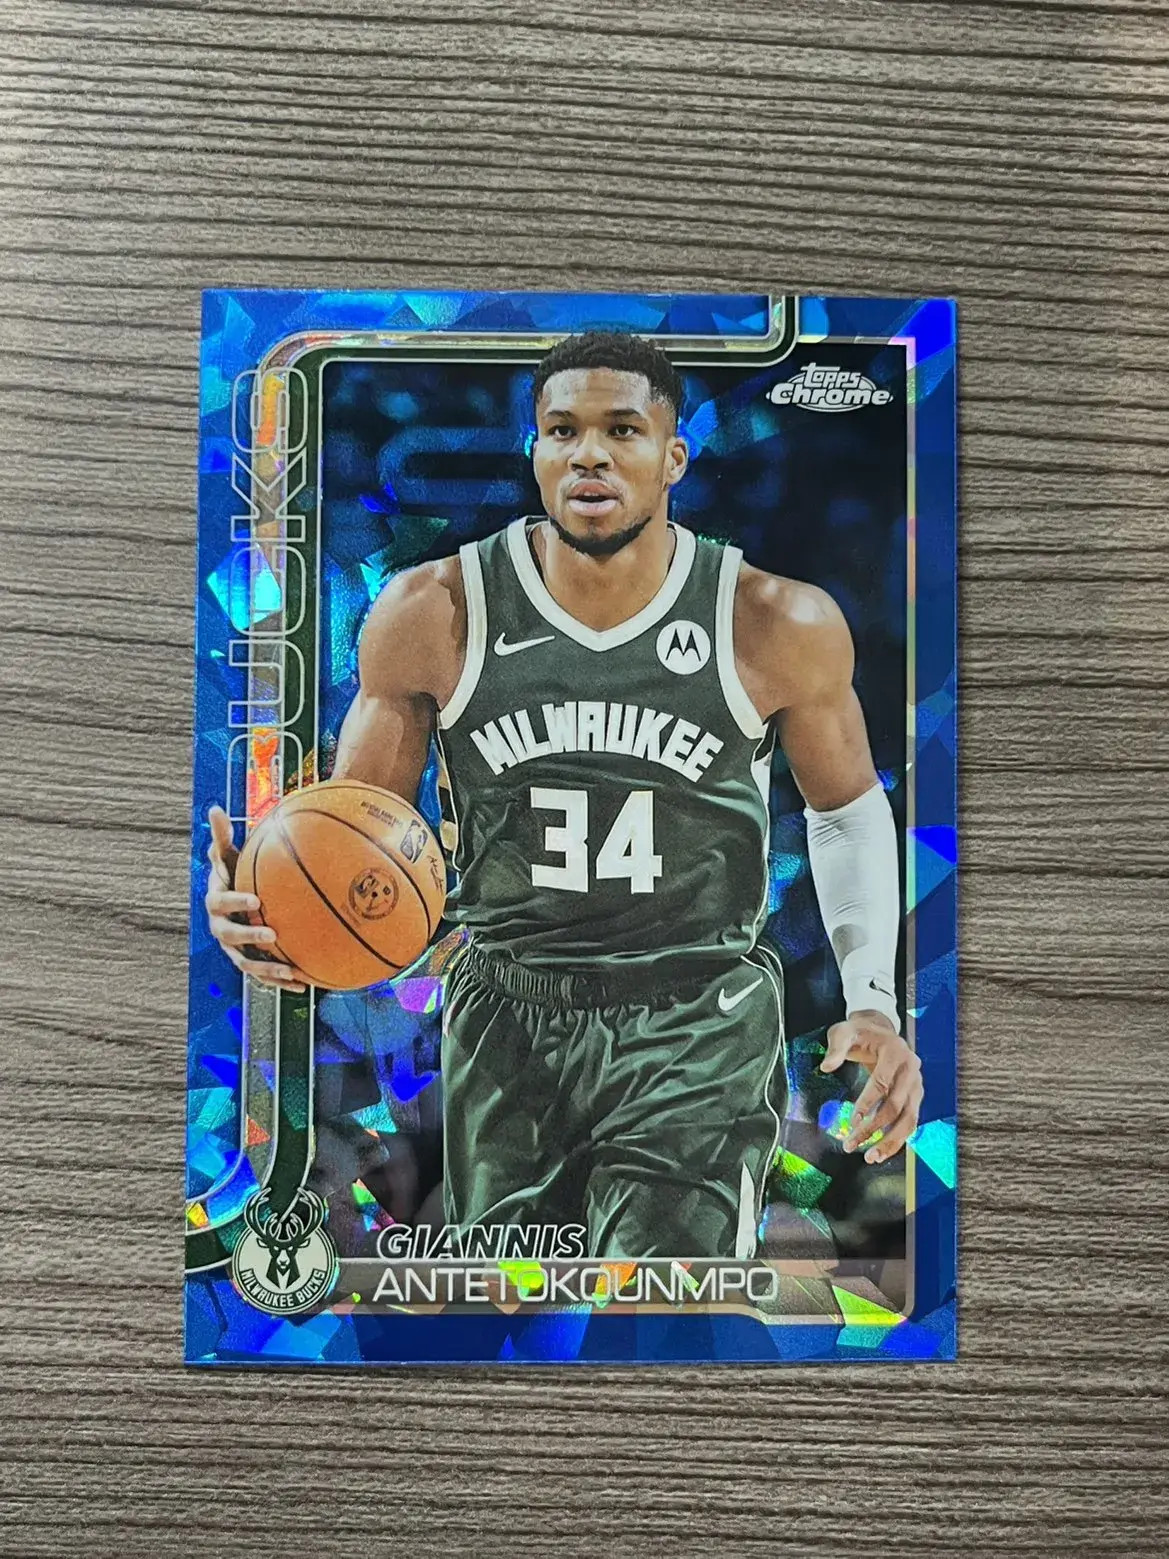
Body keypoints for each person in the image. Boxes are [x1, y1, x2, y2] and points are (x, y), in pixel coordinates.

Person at [205, 330, 922, 1260]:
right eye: (562, 430)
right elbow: (356, 844)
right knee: (517, 1305)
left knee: (659, 1297)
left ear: (673, 457)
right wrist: (273, 915)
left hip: (695, 1022)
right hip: (508, 1016)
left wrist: (872, 999)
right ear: (534, 451)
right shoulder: (432, 613)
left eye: (621, 429)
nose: (589, 453)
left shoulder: (773, 619)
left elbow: (844, 809)